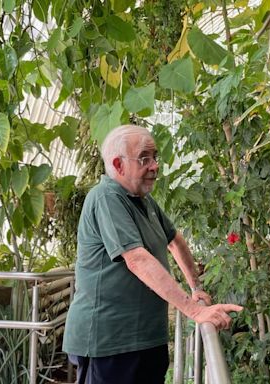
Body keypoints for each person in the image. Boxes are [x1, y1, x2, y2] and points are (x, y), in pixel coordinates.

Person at [62, 124, 243, 384]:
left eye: (155, 157)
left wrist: (196, 287)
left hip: (146, 339)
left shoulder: (144, 201)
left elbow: (175, 241)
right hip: (110, 343)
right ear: (118, 164)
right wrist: (195, 310)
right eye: (145, 158)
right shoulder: (106, 197)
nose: (155, 166)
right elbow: (137, 259)